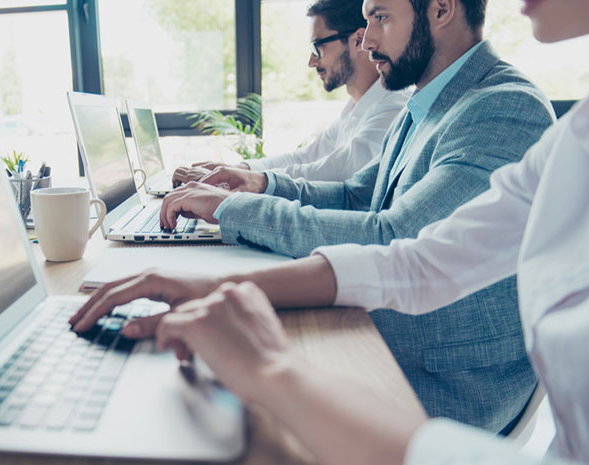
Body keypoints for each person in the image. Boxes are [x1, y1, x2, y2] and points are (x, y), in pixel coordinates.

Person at [71, 0, 589, 463]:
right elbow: (360, 200)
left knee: (206, 406)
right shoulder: (425, 104)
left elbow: (397, 236)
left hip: (447, 379)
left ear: (441, 10)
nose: (366, 38)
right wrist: (253, 190)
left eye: (380, 17)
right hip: (392, 329)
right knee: (194, 369)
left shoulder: (503, 106)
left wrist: (236, 210)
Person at [172, 0, 409, 186]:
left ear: (358, 40)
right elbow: (304, 158)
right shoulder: (355, 108)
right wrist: (239, 169)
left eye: (318, 47)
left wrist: (242, 179)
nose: (311, 62)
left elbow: (337, 172)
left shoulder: (392, 107)